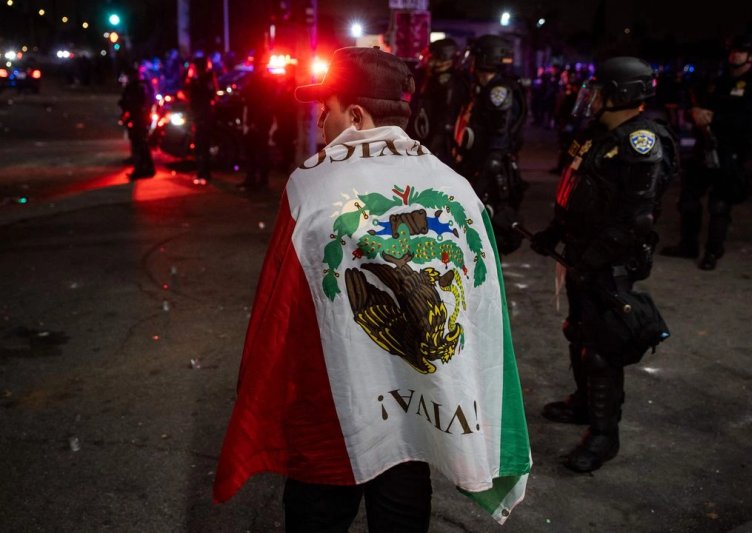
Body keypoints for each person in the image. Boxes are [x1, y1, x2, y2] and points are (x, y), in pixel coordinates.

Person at [213, 47, 531, 530]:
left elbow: (283, 313)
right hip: (422, 401)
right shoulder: (455, 185)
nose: (320, 123)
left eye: (328, 109)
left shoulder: (313, 185)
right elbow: (484, 312)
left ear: (357, 115)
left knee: (319, 511)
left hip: (335, 406)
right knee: (403, 502)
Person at [530, 57, 675, 473]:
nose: (592, 99)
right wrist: (555, 234)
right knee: (579, 332)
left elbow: (637, 221)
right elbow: (577, 192)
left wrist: (591, 260)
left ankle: (604, 434)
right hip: (582, 253)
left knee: (603, 349)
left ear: (625, 94)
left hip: (610, 262)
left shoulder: (641, 142)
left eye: (601, 91)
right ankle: (582, 404)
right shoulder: (599, 134)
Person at [660, 35, 752, 270]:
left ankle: (712, 252)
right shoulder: (718, 81)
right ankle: (688, 245)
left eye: (741, 51)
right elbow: (697, 105)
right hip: (704, 147)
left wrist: (716, 118)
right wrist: (694, 113)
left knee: (720, 204)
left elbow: (750, 121)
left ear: (750, 57)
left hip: (731, 152)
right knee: (688, 199)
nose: (735, 55)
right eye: (733, 50)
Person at [453, 34, 528, 254]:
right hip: (479, 162)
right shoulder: (485, 88)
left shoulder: (499, 91)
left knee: (487, 220)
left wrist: (483, 178)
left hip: (489, 168)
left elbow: (498, 136)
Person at [409, 38, 469, 166]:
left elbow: (446, 120)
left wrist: (431, 150)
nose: (428, 60)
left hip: (440, 146)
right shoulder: (431, 78)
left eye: (432, 56)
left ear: (444, 57)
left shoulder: (450, 83)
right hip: (425, 139)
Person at [238, 56, 275, 191]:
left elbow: (263, 104)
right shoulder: (257, 81)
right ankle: (252, 179)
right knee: (252, 152)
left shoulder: (263, 83)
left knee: (260, 152)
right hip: (256, 121)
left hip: (260, 122)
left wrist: (255, 122)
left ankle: (261, 181)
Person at [118, 64, 155, 179]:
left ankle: (141, 168)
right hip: (138, 118)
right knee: (140, 143)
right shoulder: (136, 86)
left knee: (139, 144)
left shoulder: (136, 87)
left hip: (138, 119)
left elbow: (134, 103)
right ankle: (146, 167)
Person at [185, 55, 218, 185]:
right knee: (200, 146)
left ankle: (204, 173)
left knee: (202, 146)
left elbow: (210, 95)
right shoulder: (197, 80)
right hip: (200, 116)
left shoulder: (205, 79)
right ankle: (202, 172)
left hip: (203, 116)